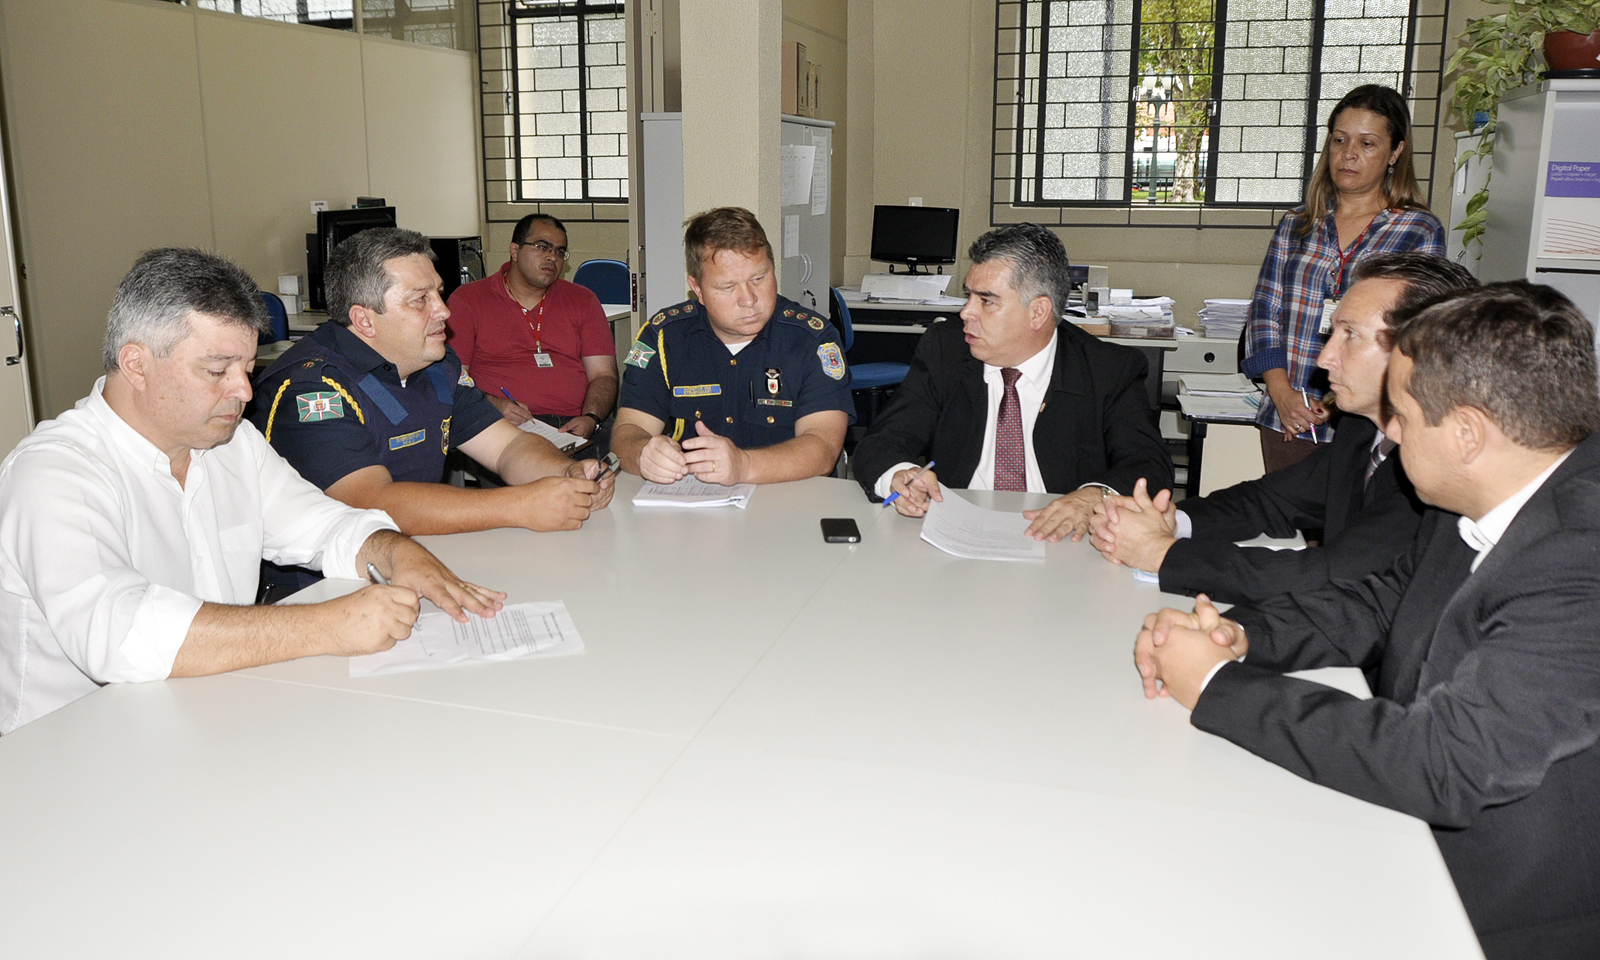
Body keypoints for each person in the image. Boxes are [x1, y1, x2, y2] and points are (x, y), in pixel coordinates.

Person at [1134, 281, 1600, 956]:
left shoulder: (1580, 562)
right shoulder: (1486, 491)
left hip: (1508, 910)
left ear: (1468, 434)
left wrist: (1216, 687)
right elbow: (1380, 601)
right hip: (1415, 837)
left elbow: (1446, 762)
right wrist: (1245, 637)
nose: (1387, 430)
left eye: (1403, 416)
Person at [0, 248, 505, 734]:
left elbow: (320, 523)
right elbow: (119, 634)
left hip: (211, 715)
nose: (244, 392)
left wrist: (393, 549)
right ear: (135, 364)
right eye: (218, 371)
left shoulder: (230, 443)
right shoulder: (54, 472)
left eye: (245, 368)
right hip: (71, 753)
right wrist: (323, 625)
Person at [1089, 253, 1475, 602]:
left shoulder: (1437, 466)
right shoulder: (1362, 429)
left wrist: (1162, 553)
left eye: (1350, 335)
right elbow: (1271, 501)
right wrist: (1176, 522)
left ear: (1420, 350)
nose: (1325, 358)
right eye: (1331, 333)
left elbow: (1332, 576)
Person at [251, 229, 613, 594]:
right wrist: (519, 505)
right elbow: (370, 503)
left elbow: (507, 447)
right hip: (325, 590)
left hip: (425, 556)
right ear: (364, 320)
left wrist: (566, 474)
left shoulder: (435, 365)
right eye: (419, 299)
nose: (443, 310)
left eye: (438, 292)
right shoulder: (311, 388)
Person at [852, 222, 1172, 543]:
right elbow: (884, 440)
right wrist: (898, 474)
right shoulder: (946, 349)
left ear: (1038, 313)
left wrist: (1095, 496)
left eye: (986, 300)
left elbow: (1148, 464)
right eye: (969, 296)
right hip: (959, 534)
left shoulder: (1108, 369)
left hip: (1063, 541)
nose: (966, 312)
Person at [1242, 84, 1444, 473]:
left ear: (1395, 153)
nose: (1349, 154)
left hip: (1371, 421)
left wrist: (1334, 401)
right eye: (1339, 140)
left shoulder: (1418, 230)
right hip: (1289, 416)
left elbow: (1417, 335)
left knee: (1349, 530)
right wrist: (1281, 393)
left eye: (1367, 144)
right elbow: (1265, 310)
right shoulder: (1297, 224)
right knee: (1285, 522)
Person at [613, 206, 851, 485]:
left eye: (759, 278)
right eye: (727, 287)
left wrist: (744, 465)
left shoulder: (813, 338)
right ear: (697, 288)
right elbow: (627, 431)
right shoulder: (663, 337)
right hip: (693, 510)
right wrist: (645, 454)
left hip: (788, 502)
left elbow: (823, 448)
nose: (749, 299)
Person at [445, 213, 617, 452]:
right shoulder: (468, 300)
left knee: (616, 475)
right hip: (503, 424)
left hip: (577, 426)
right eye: (541, 246)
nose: (552, 257)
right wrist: (493, 404)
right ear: (514, 251)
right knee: (541, 483)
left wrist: (591, 418)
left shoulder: (583, 300)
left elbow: (603, 376)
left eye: (559, 251)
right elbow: (452, 378)